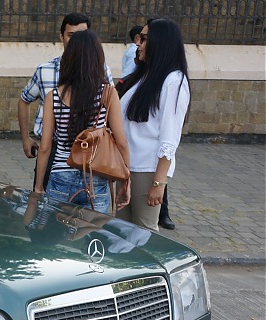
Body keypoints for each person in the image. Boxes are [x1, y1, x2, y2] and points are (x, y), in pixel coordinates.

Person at [33, 30, 130, 214]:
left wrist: (38, 186)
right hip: (96, 177)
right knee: (93, 238)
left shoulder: (53, 96)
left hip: (60, 174)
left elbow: (45, 147)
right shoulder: (108, 93)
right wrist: (126, 180)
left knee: (58, 238)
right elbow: (122, 142)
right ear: (97, 57)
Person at [118, 19, 190, 232]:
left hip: (147, 170)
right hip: (126, 167)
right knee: (122, 231)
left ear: (161, 42)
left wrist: (158, 184)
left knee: (143, 233)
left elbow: (170, 136)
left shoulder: (173, 81)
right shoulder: (144, 76)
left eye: (145, 39)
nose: (138, 43)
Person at [18, 13, 113, 161]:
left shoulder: (102, 70)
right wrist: (25, 138)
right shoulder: (45, 71)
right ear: (61, 37)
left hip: (92, 148)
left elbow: (111, 109)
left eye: (81, 36)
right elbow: (24, 100)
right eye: (71, 35)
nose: (76, 42)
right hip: (52, 149)